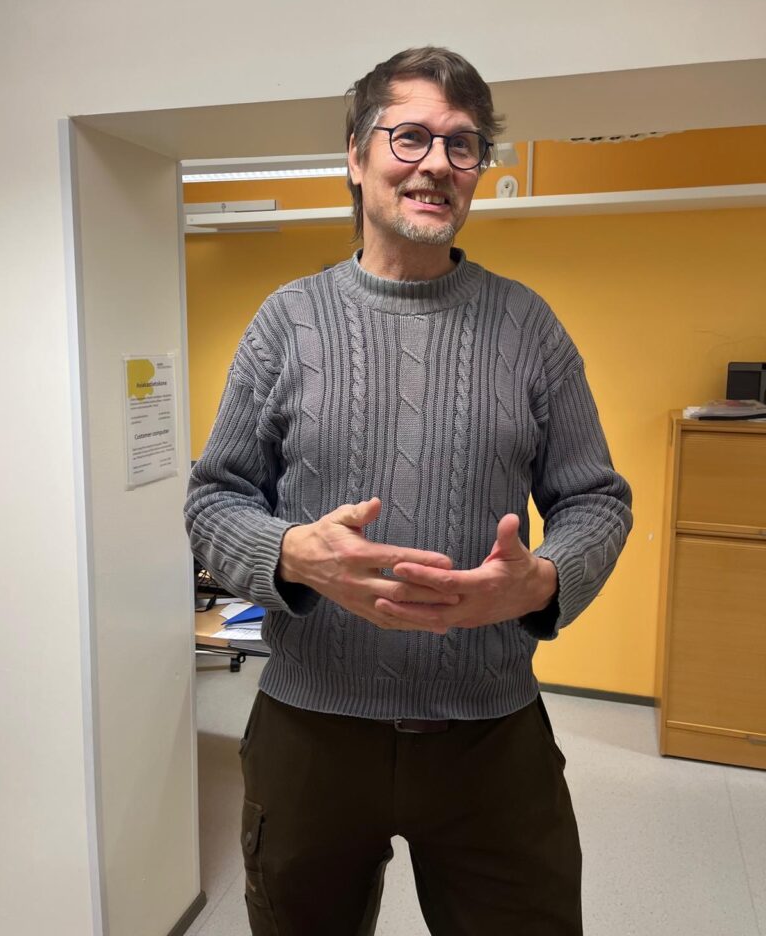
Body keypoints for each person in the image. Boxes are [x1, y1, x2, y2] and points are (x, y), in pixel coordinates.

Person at [184, 46, 633, 936]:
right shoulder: (286, 323)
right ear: (356, 156)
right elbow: (212, 500)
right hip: (311, 732)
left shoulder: (529, 328)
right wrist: (291, 552)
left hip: (491, 737)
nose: (437, 163)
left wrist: (542, 581)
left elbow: (598, 501)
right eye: (411, 137)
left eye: (462, 145)